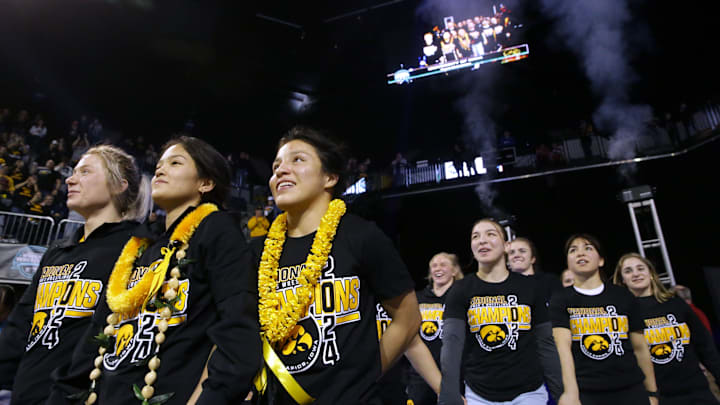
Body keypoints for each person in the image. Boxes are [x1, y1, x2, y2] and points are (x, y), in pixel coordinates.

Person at [54, 136, 261, 405]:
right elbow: (94, 339)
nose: (160, 169)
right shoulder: (139, 246)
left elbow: (237, 328)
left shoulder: (216, 230)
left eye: (175, 163)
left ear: (205, 183)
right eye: (160, 163)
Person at [254, 126, 420, 404]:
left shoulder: (361, 236)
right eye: (276, 165)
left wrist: (367, 374)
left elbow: (408, 317)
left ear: (329, 178)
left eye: (297, 160)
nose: (281, 170)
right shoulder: (257, 251)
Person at [0, 145, 147, 404]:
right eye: (73, 172)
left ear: (118, 185)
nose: (70, 179)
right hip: (25, 394)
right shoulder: (57, 251)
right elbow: (20, 326)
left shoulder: (137, 249)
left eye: (86, 171)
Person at [439, 219, 562, 405]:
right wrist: (448, 394)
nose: (482, 240)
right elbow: (451, 345)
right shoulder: (460, 290)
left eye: (490, 234)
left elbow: (545, 343)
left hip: (529, 392)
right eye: (476, 236)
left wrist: (561, 393)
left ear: (506, 246)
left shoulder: (530, 287)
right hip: (479, 394)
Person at [549, 234, 659, 405]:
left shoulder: (623, 296)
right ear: (568, 263)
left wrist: (652, 393)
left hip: (631, 388)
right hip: (588, 392)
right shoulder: (561, 299)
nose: (580, 253)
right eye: (573, 250)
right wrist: (571, 393)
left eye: (588, 248)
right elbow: (563, 349)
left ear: (601, 261)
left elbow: (640, 348)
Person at [613, 253, 720, 404]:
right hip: (661, 397)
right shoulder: (623, 315)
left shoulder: (676, 305)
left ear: (650, 273)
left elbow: (706, 347)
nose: (635, 273)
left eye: (640, 268)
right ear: (623, 280)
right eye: (628, 271)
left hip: (698, 392)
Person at [406, 252, 463, 405]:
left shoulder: (462, 298)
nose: (438, 268)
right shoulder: (417, 298)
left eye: (443, 264)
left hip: (455, 376)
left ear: (454, 270)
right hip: (420, 377)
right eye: (434, 265)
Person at [508, 237, 562, 306]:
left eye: (522, 251)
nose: (516, 255)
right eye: (512, 252)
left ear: (532, 259)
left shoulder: (550, 281)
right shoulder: (504, 286)